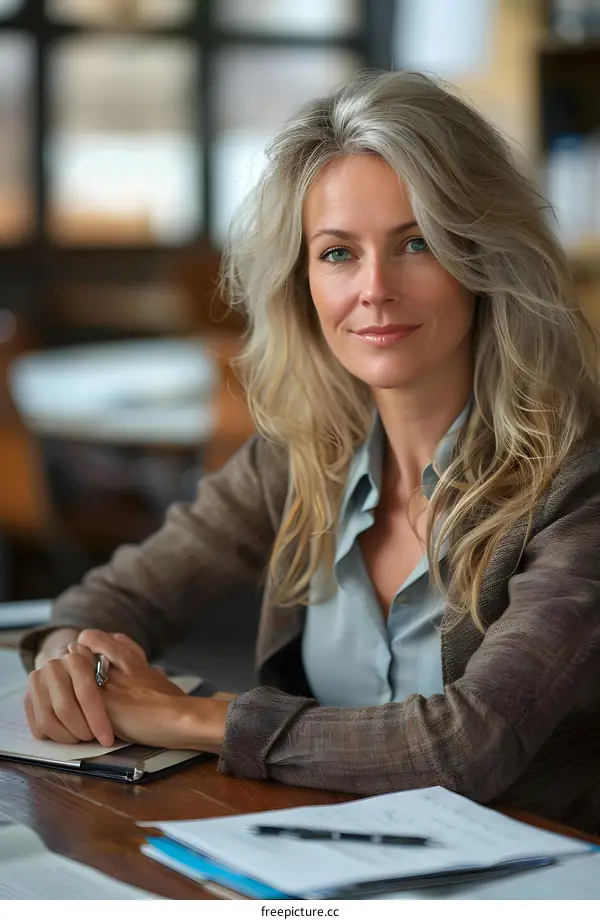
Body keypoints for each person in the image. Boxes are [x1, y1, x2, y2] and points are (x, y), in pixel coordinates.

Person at [21, 71, 600, 833]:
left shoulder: (574, 487)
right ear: (301, 281)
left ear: (482, 258)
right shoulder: (301, 457)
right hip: (315, 863)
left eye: (416, 243)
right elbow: (112, 602)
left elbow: (470, 744)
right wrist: (77, 666)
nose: (375, 290)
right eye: (337, 254)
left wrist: (194, 718)